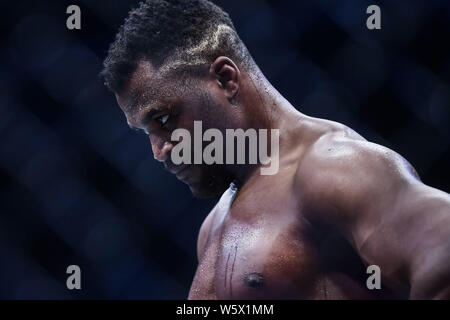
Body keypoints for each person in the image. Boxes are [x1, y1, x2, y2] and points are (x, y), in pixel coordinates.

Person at [100, 0, 450, 299]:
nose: (159, 151)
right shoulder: (214, 224)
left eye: (164, 118)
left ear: (225, 79)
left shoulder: (333, 168)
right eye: (144, 132)